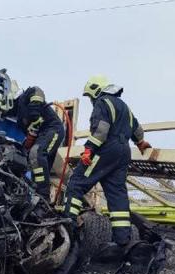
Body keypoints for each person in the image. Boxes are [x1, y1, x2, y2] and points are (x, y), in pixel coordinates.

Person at [64, 75, 151, 251]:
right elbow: (137, 128)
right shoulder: (123, 106)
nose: (90, 100)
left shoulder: (102, 103)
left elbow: (101, 131)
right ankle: (123, 241)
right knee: (117, 194)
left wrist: (89, 149)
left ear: (96, 90)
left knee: (76, 183)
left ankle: (68, 226)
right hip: (123, 152)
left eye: (90, 96)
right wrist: (141, 143)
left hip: (105, 149)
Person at [7, 86, 66, 200]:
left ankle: (43, 195)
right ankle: (39, 197)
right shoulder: (19, 117)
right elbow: (30, 135)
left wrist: (35, 111)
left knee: (37, 153)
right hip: (42, 134)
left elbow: (37, 91)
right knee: (36, 164)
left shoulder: (25, 97)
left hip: (52, 128)